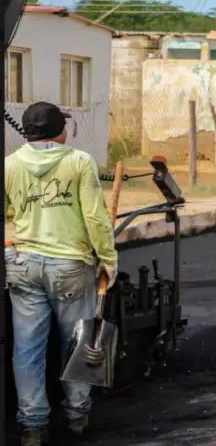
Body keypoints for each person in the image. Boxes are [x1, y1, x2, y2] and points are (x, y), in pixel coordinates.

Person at [4, 102, 118, 446]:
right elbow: (95, 218)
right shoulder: (79, 162)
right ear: (59, 130)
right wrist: (108, 259)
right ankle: (76, 416)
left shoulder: (8, 165)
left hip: (23, 265)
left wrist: (8, 251)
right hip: (71, 266)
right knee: (77, 342)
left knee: (27, 348)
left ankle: (33, 424)